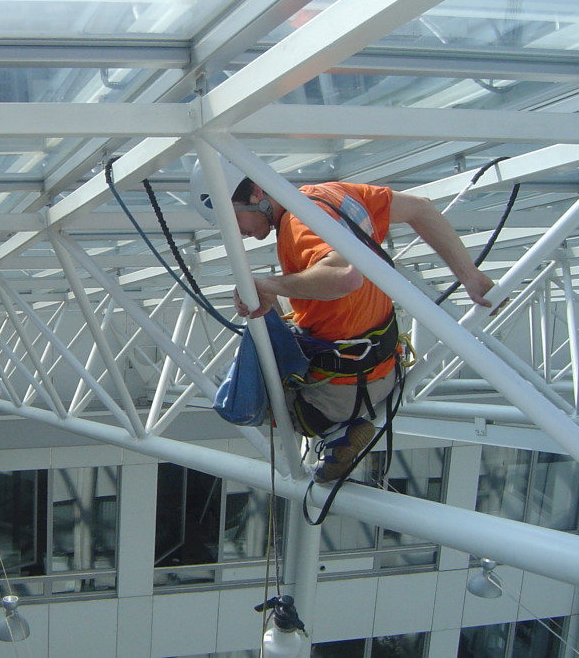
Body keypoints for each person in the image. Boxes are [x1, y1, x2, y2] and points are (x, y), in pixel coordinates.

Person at [192, 161, 495, 482]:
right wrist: (469, 276)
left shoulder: (297, 227)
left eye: (234, 219)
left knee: (240, 392)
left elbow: (342, 277)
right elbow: (421, 208)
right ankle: (337, 425)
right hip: (386, 366)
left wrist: (268, 286)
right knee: (282, 318)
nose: (239, 232)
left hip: (340, 392)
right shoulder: (330, 194)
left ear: (256, 193)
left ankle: (336, 434)